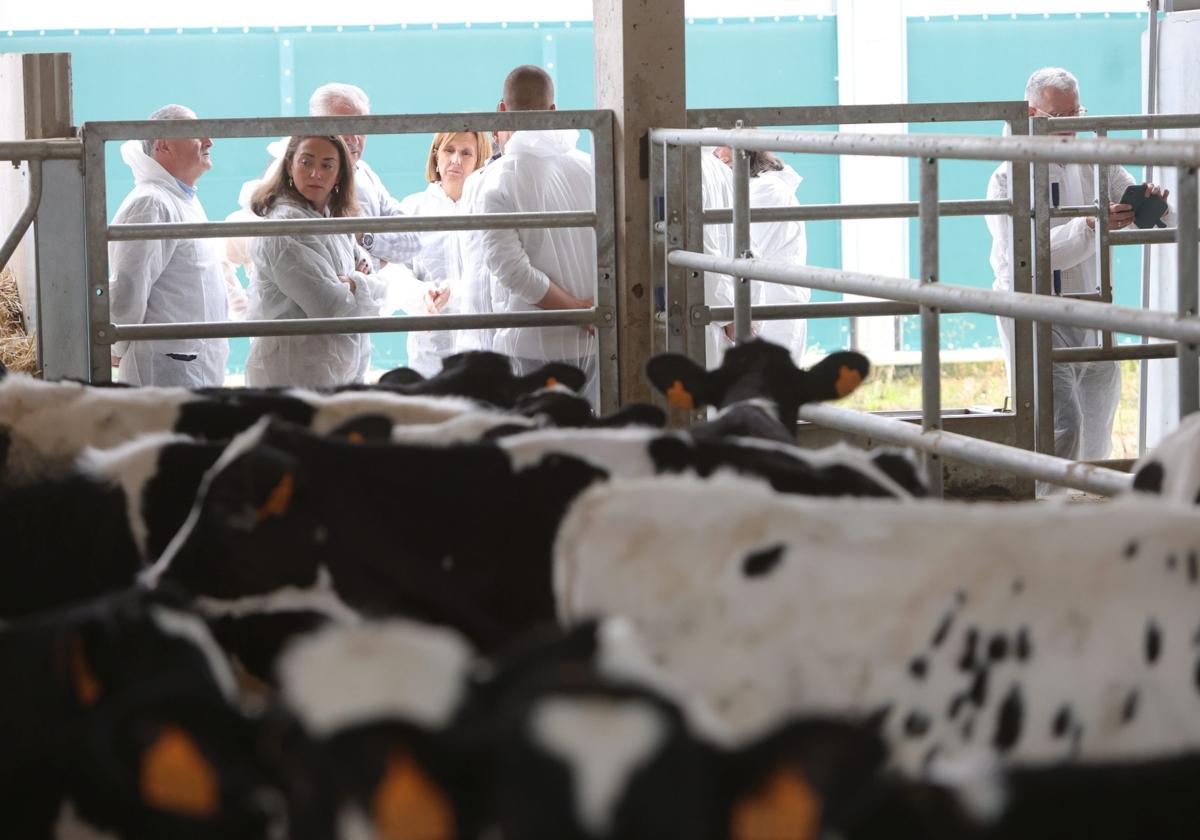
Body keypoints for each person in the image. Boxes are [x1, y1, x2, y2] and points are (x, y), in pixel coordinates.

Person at [986, 67, 1173, 467]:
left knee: (1096, 431)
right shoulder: (1008, 177)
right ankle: (1047, 514)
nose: (1072, 126)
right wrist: (1091, 224)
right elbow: (1029, 255)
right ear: (1032, 112)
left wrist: (1150, 202)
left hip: (1093, 309)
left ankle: (1088, 515)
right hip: (1039, 313)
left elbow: (1127, 193)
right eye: (1060, 118)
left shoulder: (1093, 161)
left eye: (1077, 113)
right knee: (1060, 429)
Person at [471, 65, 597, 401]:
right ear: (553, 111)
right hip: (596, 339)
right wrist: (590, 311)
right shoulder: (591, 168)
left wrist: (573, 308)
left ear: (501, 111)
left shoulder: (499, 179)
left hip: (532, 347)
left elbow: (511, 270)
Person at [246, 135, 387, 388]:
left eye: (327, 165)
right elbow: (328, 307)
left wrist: (352, 283)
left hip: (339, 374)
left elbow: (381, 293)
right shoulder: (283, 229)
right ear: (289, 166)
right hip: (292, 378)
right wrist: (358, 283)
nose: (315, 174)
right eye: (306, 162)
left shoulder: (334, 219)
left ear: (340, 174)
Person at [109, 104, 228, 386]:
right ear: (163, 144)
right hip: (166, 369)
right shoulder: (150, 202)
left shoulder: (180, 199)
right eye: (196, 134)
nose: (209, 141)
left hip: (190, 363)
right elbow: (128, 288)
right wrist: (115, 345)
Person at [388, 131, 493, 376]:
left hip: (482, 347)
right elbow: (394, 272)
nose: (456, 160)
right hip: (429, 350)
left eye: (466, 153)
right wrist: (421, 294)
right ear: (436, 156)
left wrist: (454, 293)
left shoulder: (488, 208)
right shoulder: (413, 208)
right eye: (449, 150)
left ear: (479, 161)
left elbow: (496, 274)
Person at [714, 146, 810, 367]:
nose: (716, 156)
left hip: (771, 308)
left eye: (722, 150)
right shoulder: (757, 187)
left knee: (771, 390)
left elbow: (743, 250)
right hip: (757, 306)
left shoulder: (767, 190)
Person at [308, 83, 421, 269]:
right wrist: (380, 260)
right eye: (344, 127)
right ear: (316, 127)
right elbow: (328, 266)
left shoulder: (365, 173)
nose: (354, 139)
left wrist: (365, 238)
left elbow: (413, 240)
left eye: (360, 127)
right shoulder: (307, 182)